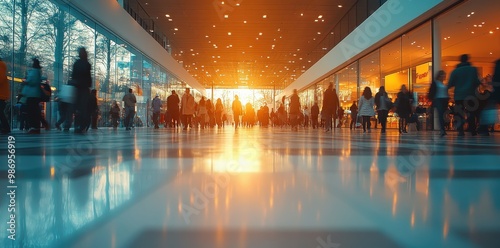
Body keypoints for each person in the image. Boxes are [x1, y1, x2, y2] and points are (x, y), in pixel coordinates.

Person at [447, 54, 481, 136]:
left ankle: (461, 130)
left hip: (459, 95)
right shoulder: (473, 70)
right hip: (471, 94)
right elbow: (477, 81)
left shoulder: (455, 71)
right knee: (471, 112)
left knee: (459, 113)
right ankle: (472, 129)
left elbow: (450, 84)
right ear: (468, 59)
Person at [71, 47, 92, 133]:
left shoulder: (77, 63)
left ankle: (78, 125)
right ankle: (82, 125)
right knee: (83, 107)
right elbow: (88, 77)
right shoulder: (86, 64)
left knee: (78, 108)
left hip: (78, 87)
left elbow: (73, 75)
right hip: (84, 88)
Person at [22, 58, 42, 134]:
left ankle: (34, 127)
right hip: (34, 94)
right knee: (34, 111)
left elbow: (32, 81)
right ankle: (35, 127)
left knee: (31, 111)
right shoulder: (37, 71)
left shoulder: (34, 71)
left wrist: (26, 82)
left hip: (32, 94)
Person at [428, 70, 449, 136]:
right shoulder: (435, 83)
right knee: (440, 114)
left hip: (444, 100)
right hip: (438, 100)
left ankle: (443, 129)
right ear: (440, 76)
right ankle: (442, 129)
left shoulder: (443, 84)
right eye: (443, 75)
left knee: (443, 115)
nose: (444, 77)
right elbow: (431, 92)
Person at [0, 57, 10, 134]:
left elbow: (1, 78)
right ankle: (5, 127)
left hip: (1, 94)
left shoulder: (1, 65)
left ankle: (5, 127)